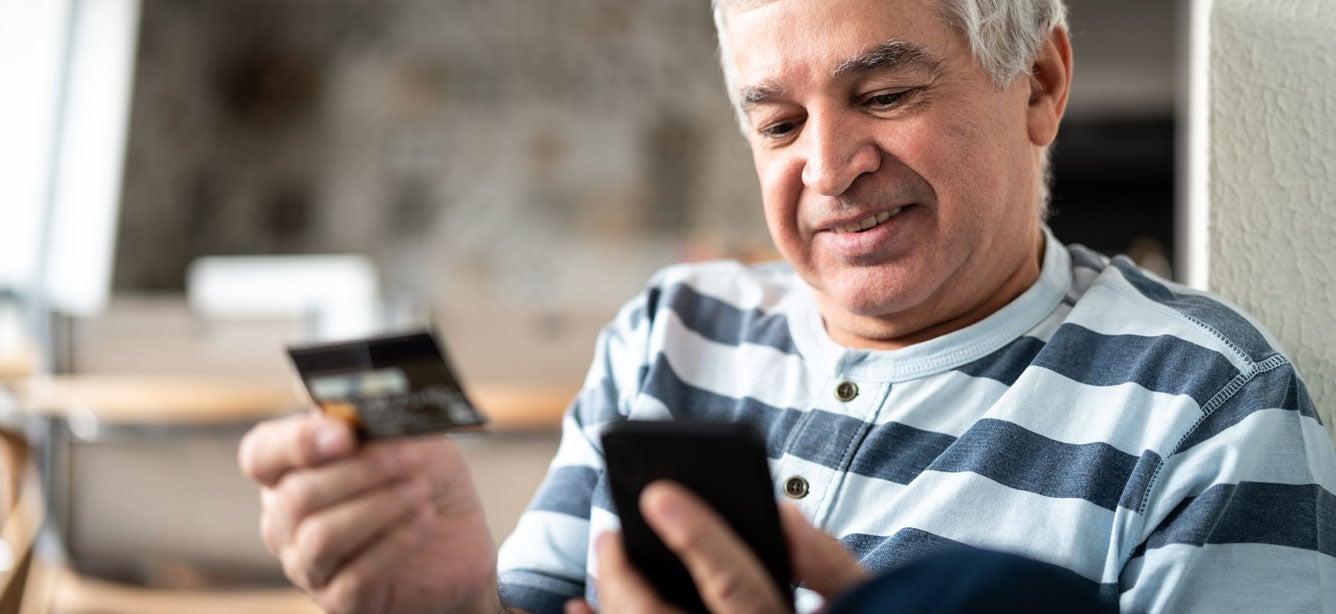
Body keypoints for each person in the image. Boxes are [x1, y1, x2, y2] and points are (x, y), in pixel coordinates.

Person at [238, 0, 1336, 612]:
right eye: (776, 122)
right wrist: (453, 605)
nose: (828, 166)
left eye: (885, 94)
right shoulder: (670, 330)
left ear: (1040, 84)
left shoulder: (1211, 407)